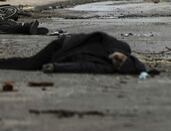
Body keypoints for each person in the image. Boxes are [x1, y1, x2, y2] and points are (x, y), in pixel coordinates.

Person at [0, 32, 146, 74]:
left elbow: (82, 67)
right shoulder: (120, 46)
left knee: (31, 64)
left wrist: (55, 67)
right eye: (121, 59)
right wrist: (116, 51)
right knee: (31, 64)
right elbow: (101, 35)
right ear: (126, 57)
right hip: (64, 45)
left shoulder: (106, 67)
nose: (117, 60)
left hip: (63, 55)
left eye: (118, 64)